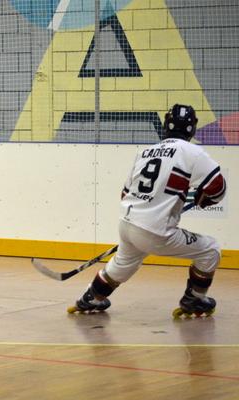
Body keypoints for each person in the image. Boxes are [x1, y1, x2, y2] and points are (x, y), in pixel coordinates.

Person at [69, 104, 227, 317]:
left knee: (123, 264)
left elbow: (125, 194)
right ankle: (195, 299)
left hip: (127, 223)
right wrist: (205, 199)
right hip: (155, 231)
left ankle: (91, 297)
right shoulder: (193, 153)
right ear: (192, 128)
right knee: (211, 250)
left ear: (166, 125)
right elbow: (218, 188)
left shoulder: (145, 152)